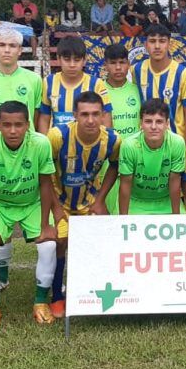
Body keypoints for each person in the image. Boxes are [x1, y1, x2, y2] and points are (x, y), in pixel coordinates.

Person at [0, 101, 59, 328]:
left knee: (49, 245)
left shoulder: (41, 143)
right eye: (7, 125)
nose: (13, 131)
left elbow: (45, 183)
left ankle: (41, 302)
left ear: (28, 125)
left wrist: (44, 224)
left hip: (32, 202)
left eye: (19, 125)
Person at [46, 92, 121, 317]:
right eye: (85, 114)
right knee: (59, 242)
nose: (90, 120)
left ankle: (93, 292)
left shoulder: (113, 140)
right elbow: (44, 173)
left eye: (96, 114)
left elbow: (115, 167)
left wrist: (99, 200)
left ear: (103, 115)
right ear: (75, 115)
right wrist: (56, 208)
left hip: (89, 202)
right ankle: (57, 296)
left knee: (102, 242)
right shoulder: (57, 136)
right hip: (59, 200)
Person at [118, 98, 186, 216]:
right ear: (141, 123)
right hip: (135, 201)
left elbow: (175, 181)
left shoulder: (177, 143)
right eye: (148, 121)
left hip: (166, 201)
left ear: (167, 124)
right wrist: (124, 219)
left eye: (159, 122)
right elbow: (125, 183)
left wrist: (176, 217)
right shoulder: (129, 145)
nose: (153, 127)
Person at [131, 25, 186, 142]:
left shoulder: (182, 73)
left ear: (169, 44)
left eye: (162, 41)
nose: (157, 46)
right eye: (152, 41)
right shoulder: (136, 70)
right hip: (145, 144)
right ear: (146, 45)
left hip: (174, 145)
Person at [98, 43, 143, 214]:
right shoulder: (98, 90)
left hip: (135, 160)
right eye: (113, 63)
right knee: (107, 214)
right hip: (107, 163)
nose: (118, 67)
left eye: (122, 62)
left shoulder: (138, 91)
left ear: (128, 64)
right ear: (105, 65)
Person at [38, 36, 112, 133]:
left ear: (84, 60)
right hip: (58, 144)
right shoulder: (49, 82)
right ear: (58, 58)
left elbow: (106, 116)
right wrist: (46, 144)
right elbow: (44, 117)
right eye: (67, 59)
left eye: (77, 60)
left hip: (89, 144)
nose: (72, 65)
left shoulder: (96, 84)